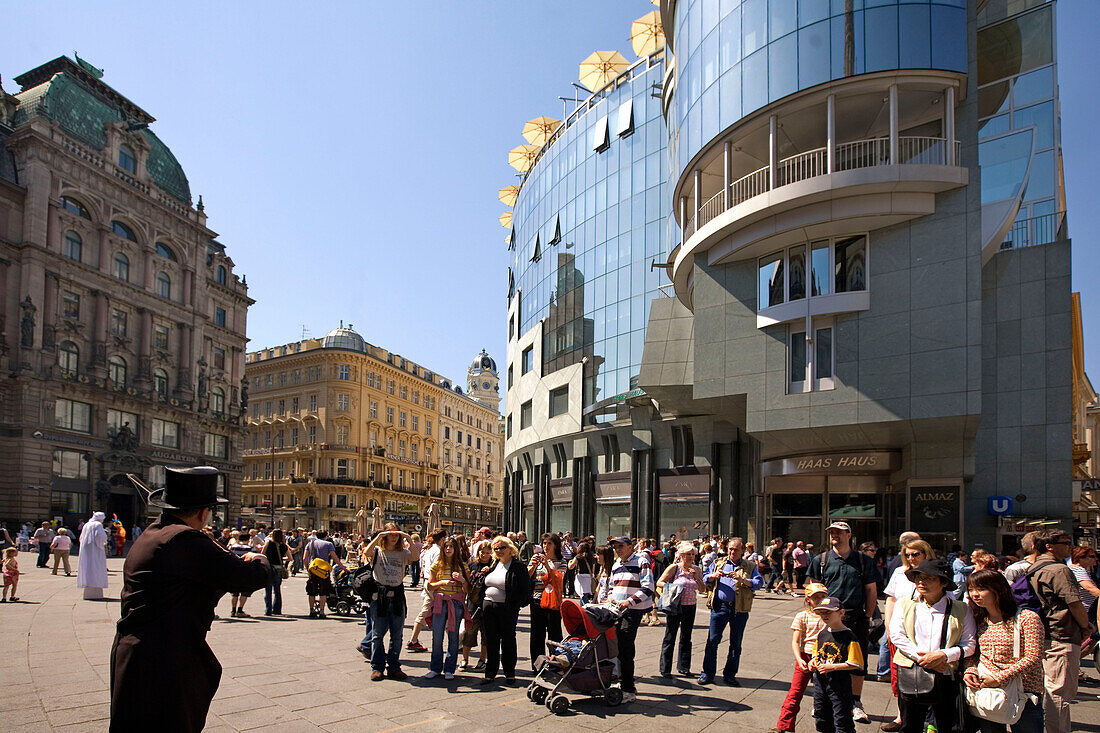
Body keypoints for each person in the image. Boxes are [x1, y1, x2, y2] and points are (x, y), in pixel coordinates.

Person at [110, 467, 270, 732]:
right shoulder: (185, 540)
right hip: (163, 658)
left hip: (137, 650)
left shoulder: (153, 533)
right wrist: (260, 559)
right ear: (202, 512)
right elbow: (249, 577)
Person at [888, 558, 976, 733]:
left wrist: (943, 656)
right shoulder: (905, 604)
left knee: (947, 725)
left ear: (943, 583)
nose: (922, 582)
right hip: (911, 673)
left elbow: (969, 644)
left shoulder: (961, 609)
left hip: (946, 675)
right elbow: (897, 636)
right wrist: (924, 658)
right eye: (919, 577)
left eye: (929, 578)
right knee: (910, 725)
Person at [807, 520, 878, 725]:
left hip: (855, 617)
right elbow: (814, 590)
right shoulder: (821, 560)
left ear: (849, 535)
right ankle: (822, 699)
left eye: (839, 532)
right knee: (824, 656)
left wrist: (868, 616)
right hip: (827, 617)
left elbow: (871, 590)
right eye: (832, 533)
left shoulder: (863, 560)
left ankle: (855, 702)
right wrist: (817, 614)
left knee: (857, 661)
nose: (834, 536)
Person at [961, 569, 1045, 733]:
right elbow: (973, 653)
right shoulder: (978, 620)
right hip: (988, 692)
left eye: (981, 589)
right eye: (971, 590)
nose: (975, 594)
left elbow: (1033, 656)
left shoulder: (1027, 618)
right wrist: (969, 671)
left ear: (998, 590)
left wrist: (999, 678)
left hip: (1024, 692)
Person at [1027, 530, 1093, 733]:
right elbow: (1074, 602)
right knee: (1059, 692)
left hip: (1042, 633)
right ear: (1049, 546)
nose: (1070, 547)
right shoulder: (1058, 570)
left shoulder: (1034, 568)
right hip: (1061, 635)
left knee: (1048, 688)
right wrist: (1086, 626)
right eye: (1066, 543)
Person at [878, 539, 936, 731]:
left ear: (925, 553)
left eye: (915, 554)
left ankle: (930, 719)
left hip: (925, 632)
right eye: (908, 555)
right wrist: (888, 624)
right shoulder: (899, 573)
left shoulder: (934, 572)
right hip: (900, 631)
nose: (911, 558)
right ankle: (901, 715)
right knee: (900, 676)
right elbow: (892, 599)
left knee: (929, 675)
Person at [700, 536, 763, 686]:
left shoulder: (750, 566)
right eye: (730, 549)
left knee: (736, 643)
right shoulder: (719, 563)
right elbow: (704, 578)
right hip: (720, 606)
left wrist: (743, 580)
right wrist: (712, 576)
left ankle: (730, 675)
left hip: (739, 608)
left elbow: (759, 583)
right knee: (712, 641)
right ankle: (707, 674)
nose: (732, 552)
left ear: (742, 550)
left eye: (736, 549)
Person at [769, 582, 830, 733]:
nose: (820, 600)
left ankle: (828, 726)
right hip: (805, 656)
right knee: (795, 692)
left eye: (823, 597)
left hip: (823, 658)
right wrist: (799, 659)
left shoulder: (829, 617)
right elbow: (796, 641)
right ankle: (784, 726)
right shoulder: (802, 616)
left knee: (825, 694)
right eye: (816, 597)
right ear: (808, 599)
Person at [607, 534, 656, 703]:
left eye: (620, 546)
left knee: (625, 648)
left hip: (632, 611)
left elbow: (649, 587)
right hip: (616, 610)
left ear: (630, 547)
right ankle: (623, 682)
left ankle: (628, 688)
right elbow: (612, 586)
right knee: (618, 646)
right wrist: (611, 598)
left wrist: (628, 602)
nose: (617, 550)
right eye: (615, 547)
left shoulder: (641, 561)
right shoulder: (616, 564)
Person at [361, 524, 412, 681]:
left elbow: (415, 557)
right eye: (390, 534)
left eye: (396, 534)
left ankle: (394, 666)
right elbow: (366, 552)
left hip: (397, 595)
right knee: (377, 634)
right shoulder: (377, 550)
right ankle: (377, 667)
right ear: (385, 535)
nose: (394, 537)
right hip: (380, 595)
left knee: (397, 635)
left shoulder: (403, 552)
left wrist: (408, 537)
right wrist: (379, 537)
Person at [479, 536, 530, 686]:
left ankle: (509, 673)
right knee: (491, 640)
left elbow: (526, 589)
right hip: (488, 606)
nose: (499, 551)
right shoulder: (494, 564)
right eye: (496, 548)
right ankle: (490, 673)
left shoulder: (517, 566)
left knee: (508, 639)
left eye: (502, 547)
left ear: (510, 549)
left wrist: (516, 605)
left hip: (506, 608)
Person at [809, 597, 865, 733]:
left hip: (839, 685)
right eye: (821, 613)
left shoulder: (849, 636)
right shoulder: (822, 634)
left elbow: (856, 663)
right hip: (821, 683)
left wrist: (832, 667)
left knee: (842, 718)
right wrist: (813, 661)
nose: (824, 616)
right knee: (821, 714)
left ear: (841, 613)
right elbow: (816, 654)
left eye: (828, 612)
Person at [656, 540, 705, 677]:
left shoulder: (697, 569)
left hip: (690, 606)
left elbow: (702, 589)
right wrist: (672, 588)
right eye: (687, 554)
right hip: (675, 605)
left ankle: (684, 666)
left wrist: (696, 578)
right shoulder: (674, 568)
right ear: (681, 555)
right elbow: (659, 582)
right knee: (670, 635)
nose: (690, 557)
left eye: (692, 554)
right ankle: (665, 668)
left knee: (686, 636)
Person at [425, 537, 469, 679]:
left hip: (455, 603)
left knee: (453, 636)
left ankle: (449, 668)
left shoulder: (462, 566)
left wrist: (462, 580)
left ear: (456, 549)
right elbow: (429, 586)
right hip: (440, 601)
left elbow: (467, 589)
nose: (448, 549)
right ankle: (435, 667)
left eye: (451, 547)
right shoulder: (437, 565)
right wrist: (442, 582)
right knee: (437, 636)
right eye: (446, 547)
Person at [528, 533, 565, 668]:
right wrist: (532, 566)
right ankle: (537, 665)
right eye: (544, 543)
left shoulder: (561, 562)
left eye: (549, 543)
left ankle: (556, 663)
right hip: (537, 600)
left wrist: (548, 565)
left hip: (553, 602)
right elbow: (527, 577)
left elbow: (558, 578)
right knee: (537, 635)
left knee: (554, 633)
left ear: (556, 546)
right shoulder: (537, 560)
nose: (546, 546)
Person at [407, 529, 445, 651]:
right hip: (434, 584)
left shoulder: (430, 550)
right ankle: (413, 640)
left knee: (443, 611)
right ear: (442, 539)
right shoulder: (438, 551)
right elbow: (437, 569)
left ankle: (457, 641)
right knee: (426, 611)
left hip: (428, 582)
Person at [461, 540, 493, 671]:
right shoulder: (472, 565)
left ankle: (482, 660)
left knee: (486, 633)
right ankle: (464, 659)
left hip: (486, 604)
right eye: (482, 552)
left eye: (487, 553)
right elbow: (467, 584)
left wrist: (489, 571)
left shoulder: (494, 566)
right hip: (472, 604)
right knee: (469, 632)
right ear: (478, 552)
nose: (484, 555)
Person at [260, 529, 292, 616]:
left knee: (268, 590)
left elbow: (262, 554)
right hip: (278, 569)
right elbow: (290, 558)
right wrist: (281, 559)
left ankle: (268, 610)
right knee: (277, 590)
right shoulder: (284, 546)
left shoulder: (269, 543)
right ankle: (277, 610)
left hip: (269, 567)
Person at [77, 512, 109, 596]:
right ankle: (96, 583)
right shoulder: (98, 524)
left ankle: (87, 582)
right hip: (95, 547)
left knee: (87, 564)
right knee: (96, 565)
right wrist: (105, 537)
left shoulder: (87, 524)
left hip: (85, 547)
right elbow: (100, 536)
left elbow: (81, 537)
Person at [227, 531, 255, 617]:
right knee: (244, 592)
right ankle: (240, 610)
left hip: (234, 571)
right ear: (247, 539)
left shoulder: (233, 547)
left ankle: (233, 610)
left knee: (234, 593)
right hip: (246, 571)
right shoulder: (250, 548)